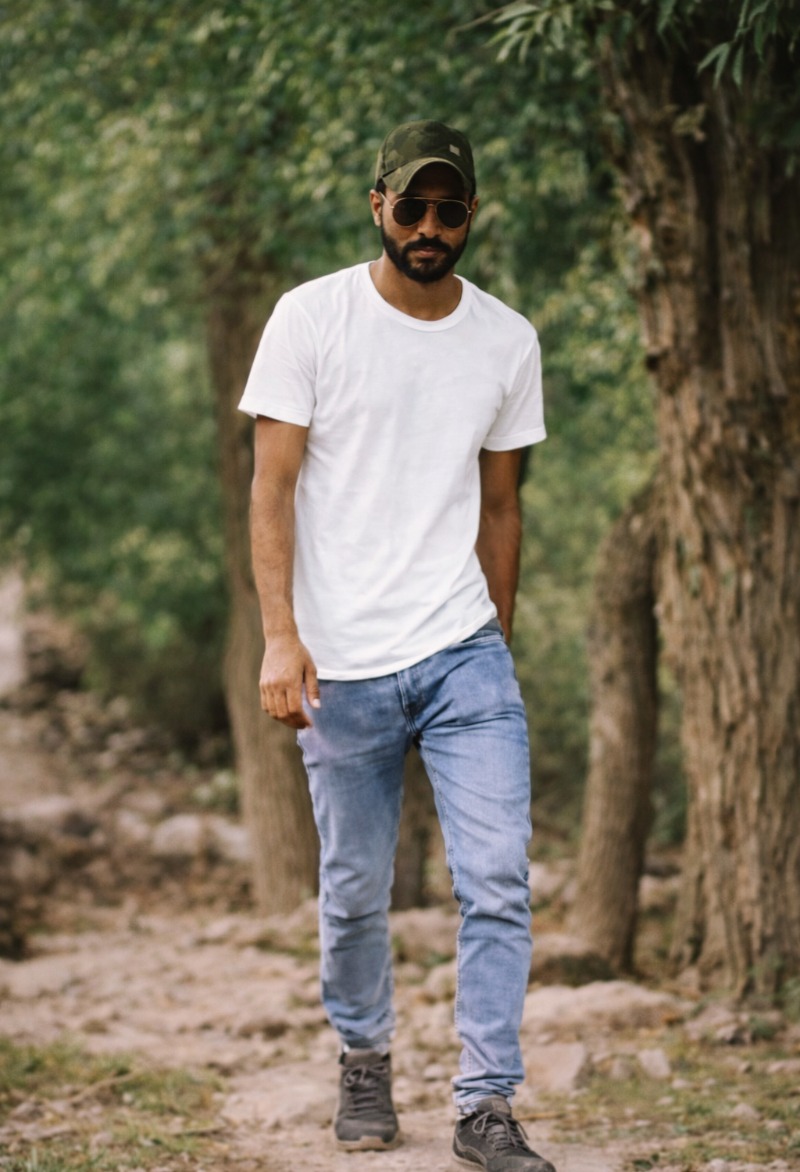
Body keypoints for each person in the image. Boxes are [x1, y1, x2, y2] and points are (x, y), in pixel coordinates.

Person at [239, 120, 555, 1172]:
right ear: (376, 204)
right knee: (353, 889)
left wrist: (494, 641)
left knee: (497, 878)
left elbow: (501, 506)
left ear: (471, 215)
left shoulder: (507, 339)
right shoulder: (310, 318)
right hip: (340, 664)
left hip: (463, 651)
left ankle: (484, 1103)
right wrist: (280, 637)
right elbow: (271, 486)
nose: (428, 226)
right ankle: (364, 1056)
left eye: (447, 209)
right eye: (410, 206)